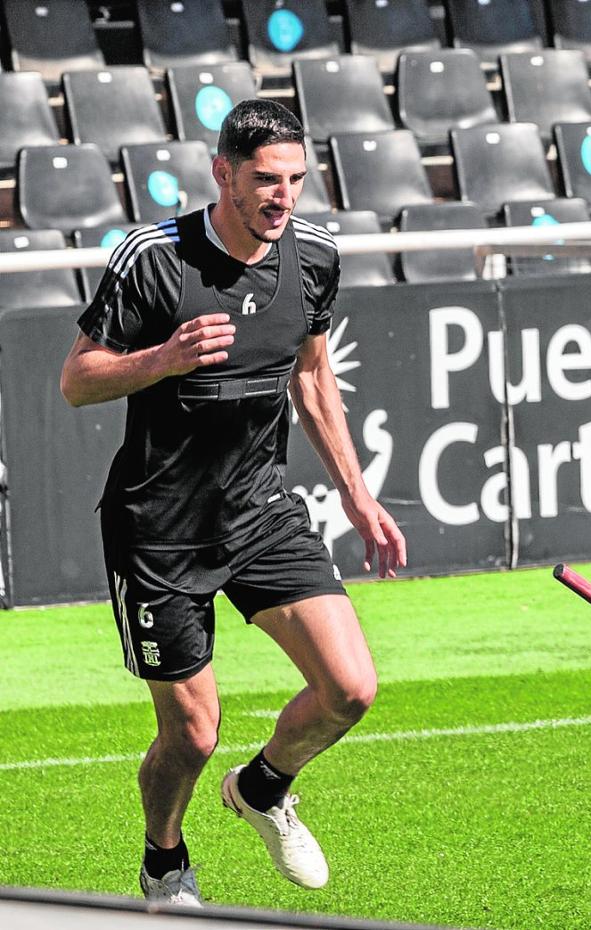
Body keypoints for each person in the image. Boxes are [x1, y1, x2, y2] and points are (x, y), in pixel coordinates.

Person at [60, 100, 407, 905]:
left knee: (350, 689)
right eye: (264, 180)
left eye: (294, 178)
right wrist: (163, 357)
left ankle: (262, 790)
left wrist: (358, 496)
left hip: (260, 510)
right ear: (223, 174)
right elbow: (78, 380)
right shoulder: (153, 258)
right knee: (192, 735)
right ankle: (164, 861)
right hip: (159, 530)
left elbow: (313, 374)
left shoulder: (314, 255)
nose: (282, 196)